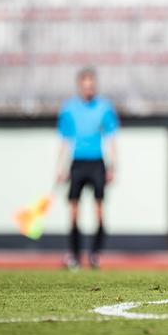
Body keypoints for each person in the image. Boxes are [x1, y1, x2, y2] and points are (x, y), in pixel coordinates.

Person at [56, 68, 119, 270]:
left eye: (92, 86)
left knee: (99, 210)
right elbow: (64, 140)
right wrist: (60, 167)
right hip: (77, 162)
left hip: (97, 162)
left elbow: (111, 138)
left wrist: (112, 166)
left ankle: (95, 254)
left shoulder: (104, 107)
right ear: (79, 86)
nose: (89, 89)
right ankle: (74, 255)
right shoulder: (69, 109)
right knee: (74, 210)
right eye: (85, 86)